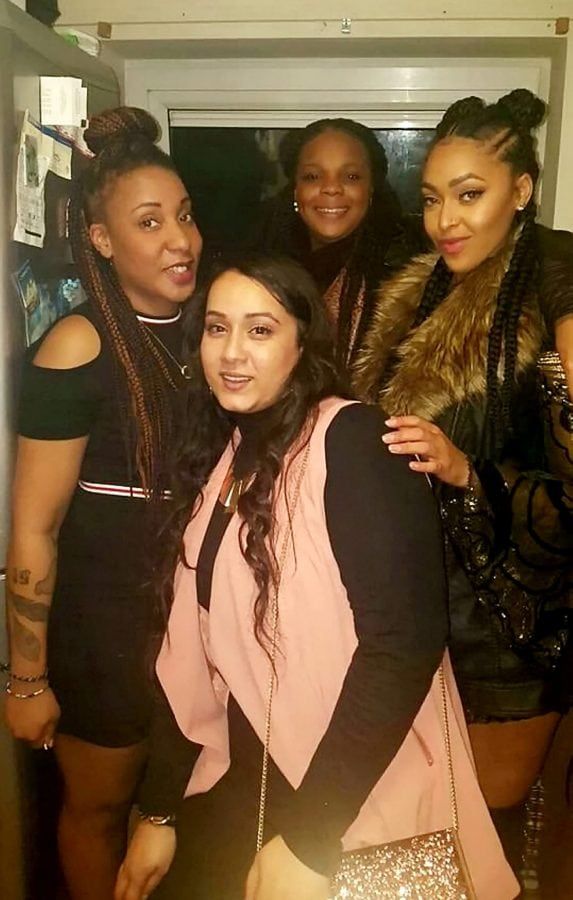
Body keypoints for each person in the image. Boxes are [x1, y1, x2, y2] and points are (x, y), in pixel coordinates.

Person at [115, 255, 518, 900]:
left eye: (261, 329)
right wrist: (160, 808)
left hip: (353, 793)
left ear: (303, 344)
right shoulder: (229, 453)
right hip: (251, 782)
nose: (232, 352)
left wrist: (310, 836)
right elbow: (194, 650)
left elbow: (404, 644)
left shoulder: (354, 442)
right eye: (217, 328)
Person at [353, 88, 573, 876]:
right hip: (406, 610)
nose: (444, 219)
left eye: (469, 194)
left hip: (506, 626)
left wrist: (465, 471)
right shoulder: (419, 290)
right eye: (431, 198)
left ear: (522, 190)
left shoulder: (551, 276)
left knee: (482, 832)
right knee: (418, 831)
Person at [3, 107, 202, 899]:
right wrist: (25, 679)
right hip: (105, 640)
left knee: (179, 815)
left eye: (183, 215)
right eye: (148, 222)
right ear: (102, 239)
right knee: (98, 809)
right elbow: (35, 526)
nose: (179, 239)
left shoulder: (210, 334)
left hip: (198, 631)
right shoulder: (77, 345)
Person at [261, 118, 424, 373]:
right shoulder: (264, 268)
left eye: (351, 176)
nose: (331, 188)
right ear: (295, 189)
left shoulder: (407, 282)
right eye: (313, 176)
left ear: (371, 189)